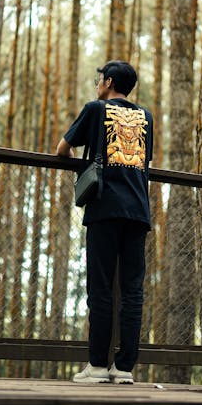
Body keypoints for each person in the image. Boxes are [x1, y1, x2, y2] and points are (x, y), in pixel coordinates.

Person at [57, 61, 153, 384]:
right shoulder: (146, 118)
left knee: (100, 287)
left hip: (104, 208)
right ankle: (124, 367)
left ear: (109, 82)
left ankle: (97, 365)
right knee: (132, 291)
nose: (97, 84)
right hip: (138, 211)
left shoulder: (95, 109)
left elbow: (62, 149)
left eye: (99, 79)